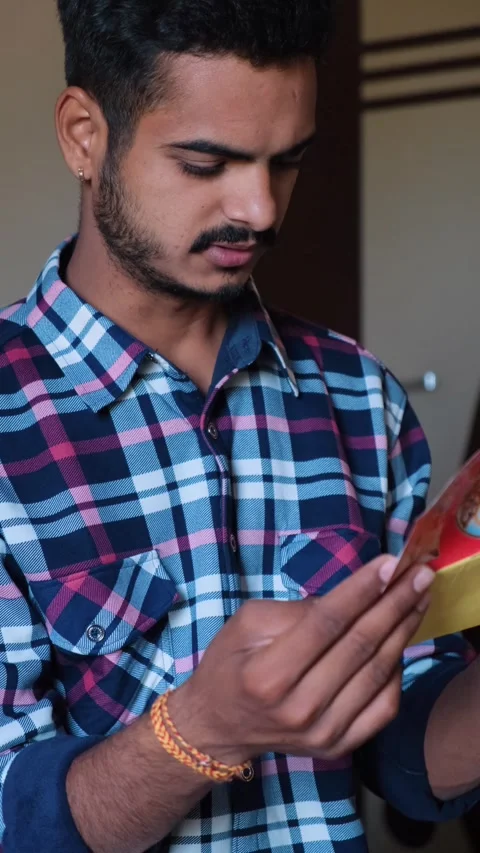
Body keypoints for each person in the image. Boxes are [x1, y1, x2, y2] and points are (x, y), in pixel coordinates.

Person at [0, 2, 479, 851]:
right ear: (83, 134)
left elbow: (404, 752)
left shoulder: (361, 398)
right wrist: (203, 731)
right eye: (206, 163)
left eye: (285, 162)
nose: (258, 208)